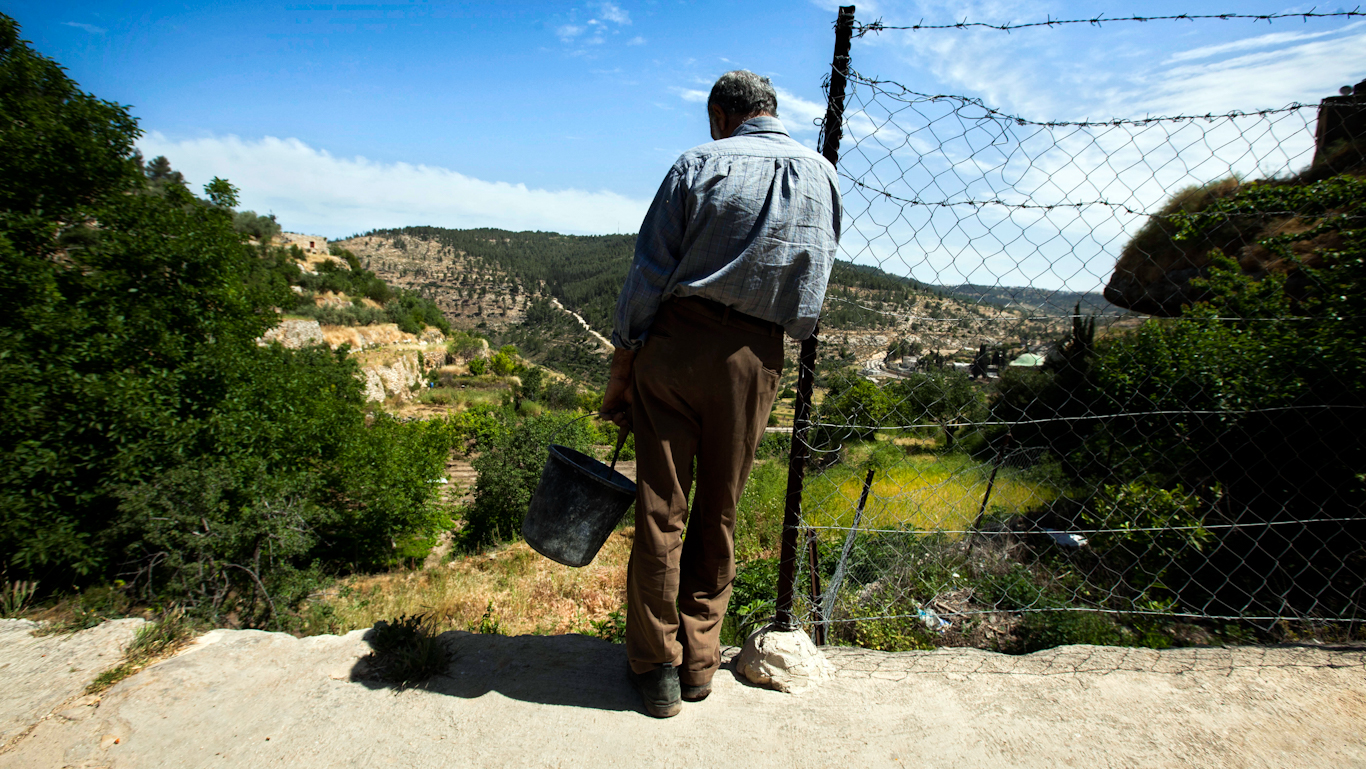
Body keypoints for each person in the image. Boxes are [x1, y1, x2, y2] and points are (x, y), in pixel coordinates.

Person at [601, 70, 842, 718]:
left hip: (675, 345)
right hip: (755, 356)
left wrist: (623, 370)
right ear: (771, 111)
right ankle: (702, 666)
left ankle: (656, 670)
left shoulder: (696, 163)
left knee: (660, 510)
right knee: (720, 512)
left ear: (720, 115)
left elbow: (648, 274)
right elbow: (811, 295)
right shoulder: (821, 176)